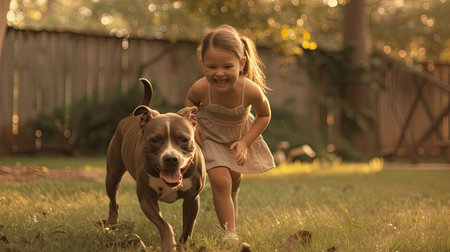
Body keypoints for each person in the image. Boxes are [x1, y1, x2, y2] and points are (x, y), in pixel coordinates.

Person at [185, 24, 275, 239]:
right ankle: (230, 233)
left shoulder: (250, 90)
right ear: (202, 64)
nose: (220, 73)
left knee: (233, 178)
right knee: (220, 180)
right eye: (212, 66)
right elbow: (190, 102)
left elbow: (264, 115)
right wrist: (193, 124)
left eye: (227, 66)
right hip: (210, 137)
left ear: (241, 63)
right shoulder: (200, 87)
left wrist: (245, 142)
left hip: (237, 137)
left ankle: (231, 195)